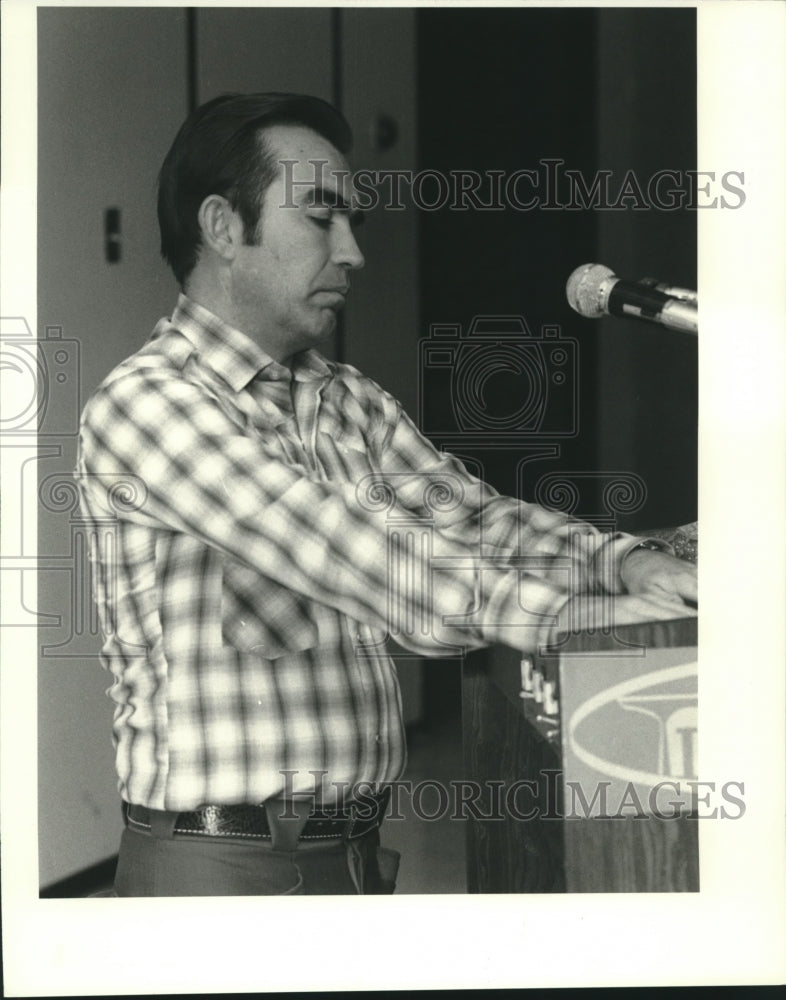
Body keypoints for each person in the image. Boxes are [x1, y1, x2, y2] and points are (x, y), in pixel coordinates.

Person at [75, 92, 697, 896]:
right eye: (320, 219)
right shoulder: (148, 404)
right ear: (223, 227)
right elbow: (363, 559)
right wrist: (589, 621)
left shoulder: (347, 398)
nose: (353, 253)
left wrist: (629, 567)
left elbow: (479, 521)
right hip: (221, 869)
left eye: (352, 223)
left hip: (356, 855)